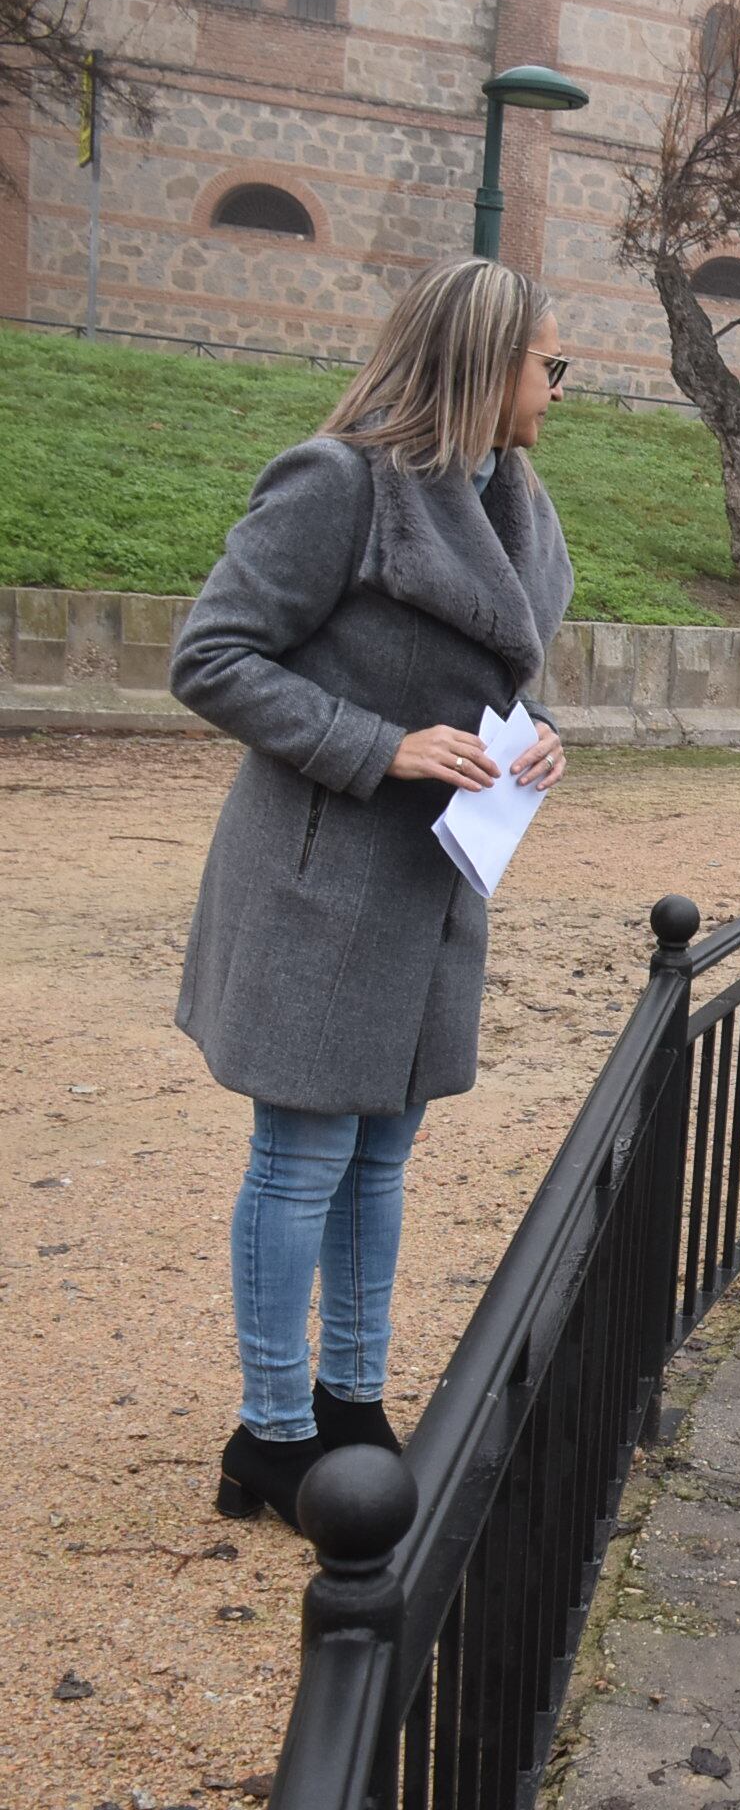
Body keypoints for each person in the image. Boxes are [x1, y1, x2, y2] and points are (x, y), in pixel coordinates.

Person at [169, 256, 575, 1526]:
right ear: (484, 363)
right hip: (322, 874)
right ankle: (272, 1434)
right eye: (546, 367)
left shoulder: (513, 499)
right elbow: (211, 656)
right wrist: (377, 744)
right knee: (301, 1153)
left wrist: (535, 733)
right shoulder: (336, 483)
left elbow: (493, 666)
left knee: (384, 1149)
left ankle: (352, 1400)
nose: (556, 391)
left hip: (436, 875)